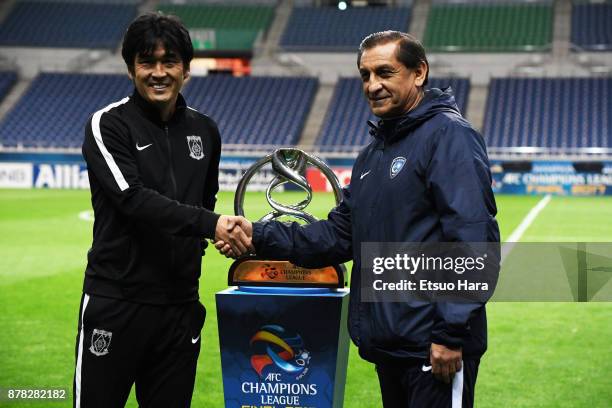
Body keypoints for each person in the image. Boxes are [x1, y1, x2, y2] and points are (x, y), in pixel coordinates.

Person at [216, 31, 500, 407]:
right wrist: (257, 235)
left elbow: (473, 240)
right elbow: (337, 236)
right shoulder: (374, 154)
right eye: (365, 75)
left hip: (433, 349)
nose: (373, 85)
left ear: (419, 73)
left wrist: (449, 335)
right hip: (391, 346)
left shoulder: (449, 137)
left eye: (385, 72)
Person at [74, 13, 251, 407]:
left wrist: (209, 239)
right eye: (146, 62)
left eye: (169, 61)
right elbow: (132, 199)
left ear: (186, 70)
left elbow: (205, 201)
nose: (158, 72)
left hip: (179, 309)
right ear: (131, 68)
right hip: (117, 303)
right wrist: (212, 225)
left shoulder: (206, 131)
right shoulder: (108, 124)